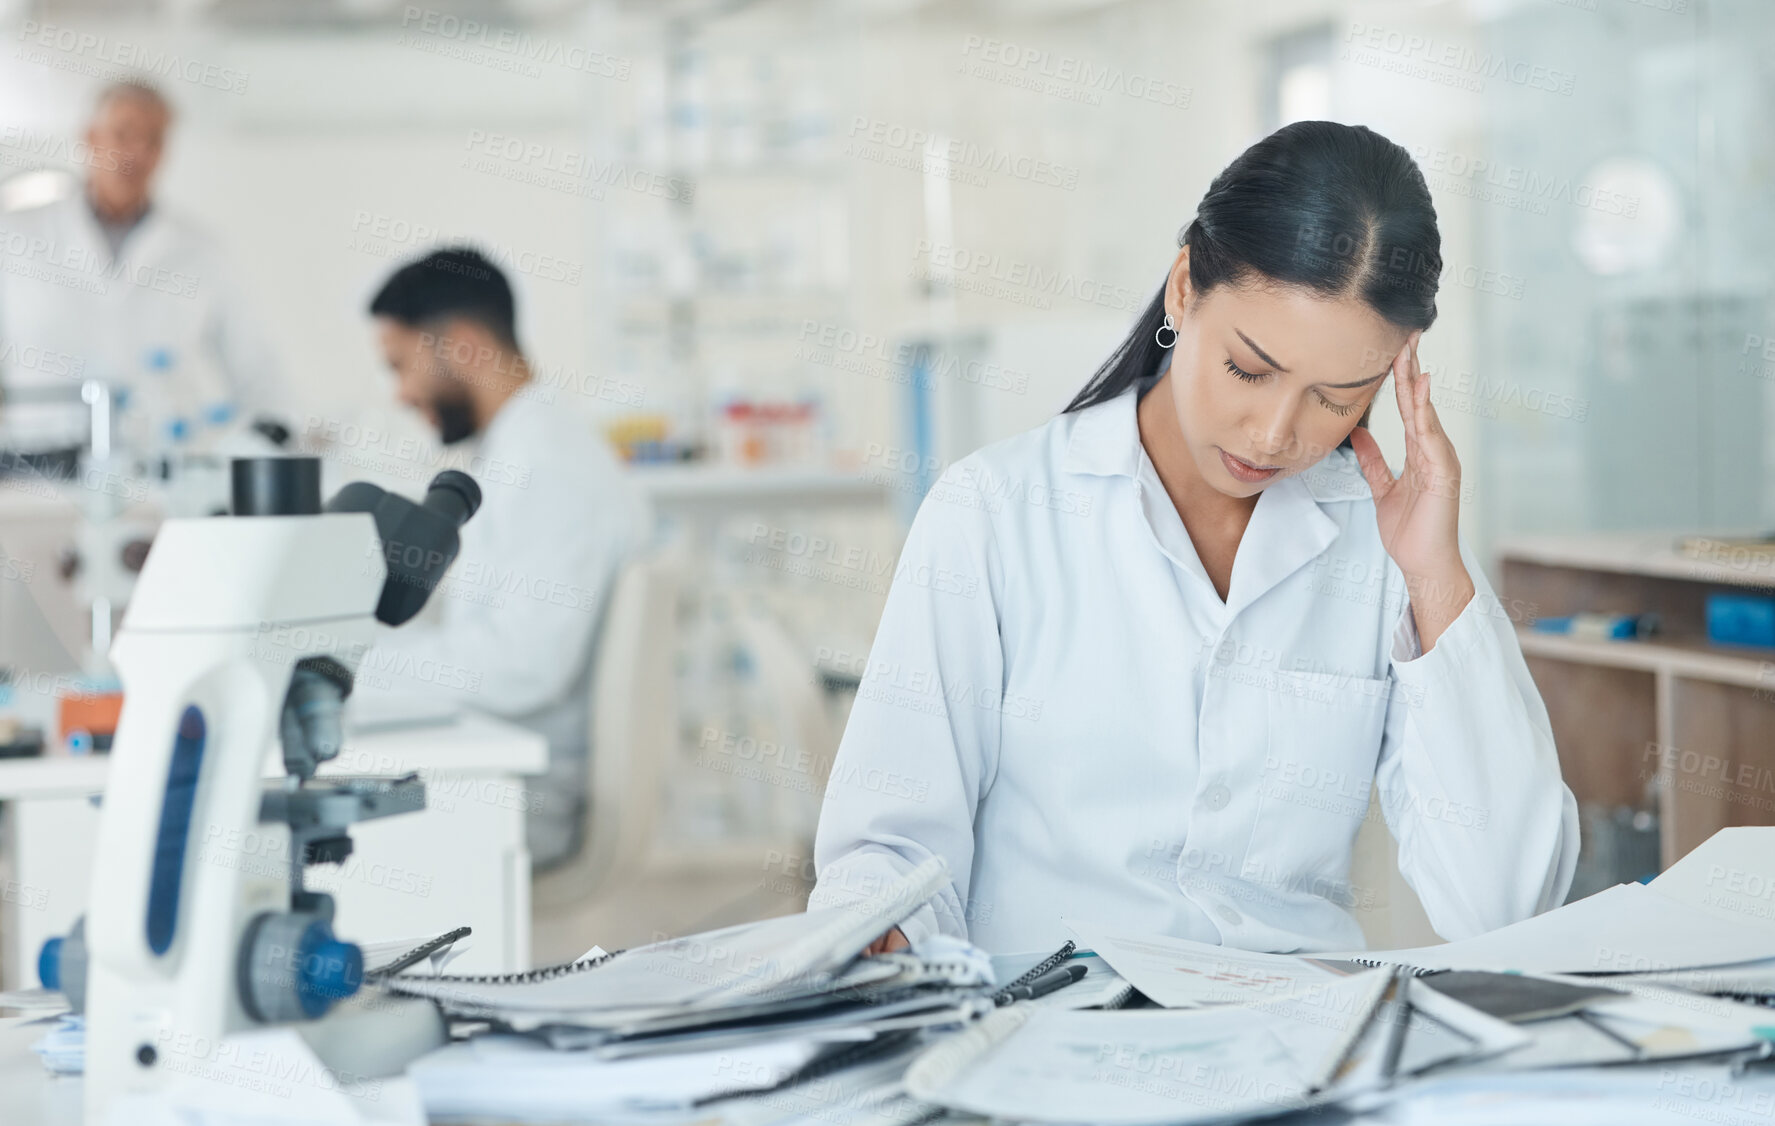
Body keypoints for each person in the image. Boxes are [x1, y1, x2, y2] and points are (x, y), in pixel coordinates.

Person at [810, 121, 1579, 956]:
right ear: (1183, 289)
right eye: (1248, 370)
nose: (1275, 433)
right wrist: (877, 931)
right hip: (1051, 1046)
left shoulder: (1385, 546)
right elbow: (890, 857)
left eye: (1337, 398)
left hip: (1299, 1048)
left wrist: (1436, 578)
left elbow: (1509, 904)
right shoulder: (995, 514)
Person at [355, 247, 649, 867]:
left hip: (526, 796)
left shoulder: (545, 464)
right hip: (499, 760)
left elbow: (526, 665)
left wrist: (347, 670)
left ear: (461, 346)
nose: (401, 394)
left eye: (400, 365)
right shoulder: (522, 448)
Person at [0, 79, 282, 451]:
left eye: (154, 139)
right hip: (37, 467)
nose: (137, 151)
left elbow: (258, 370)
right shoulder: (16, 238)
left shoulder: (200, 252)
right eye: (123, 133)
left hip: (155, 468)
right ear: (90, 137)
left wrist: (270, 441)